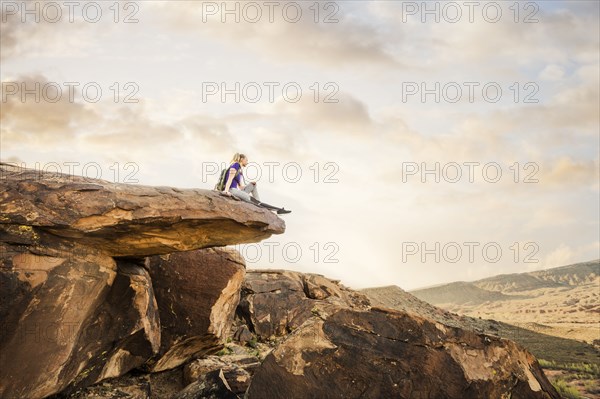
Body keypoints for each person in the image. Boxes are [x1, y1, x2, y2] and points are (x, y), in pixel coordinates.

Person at [222, 153, 291, 215]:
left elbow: (241, 187)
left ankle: (259, 203)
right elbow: (229, 179)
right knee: (254, 201)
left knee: (253, 186)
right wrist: (226, 191)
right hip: (232, 190)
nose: (247, 162)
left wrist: (250, 184)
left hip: (237, 191)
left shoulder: (239, 171)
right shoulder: (235, 165)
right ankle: (277, 209)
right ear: (242, 159)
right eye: (246, 160)